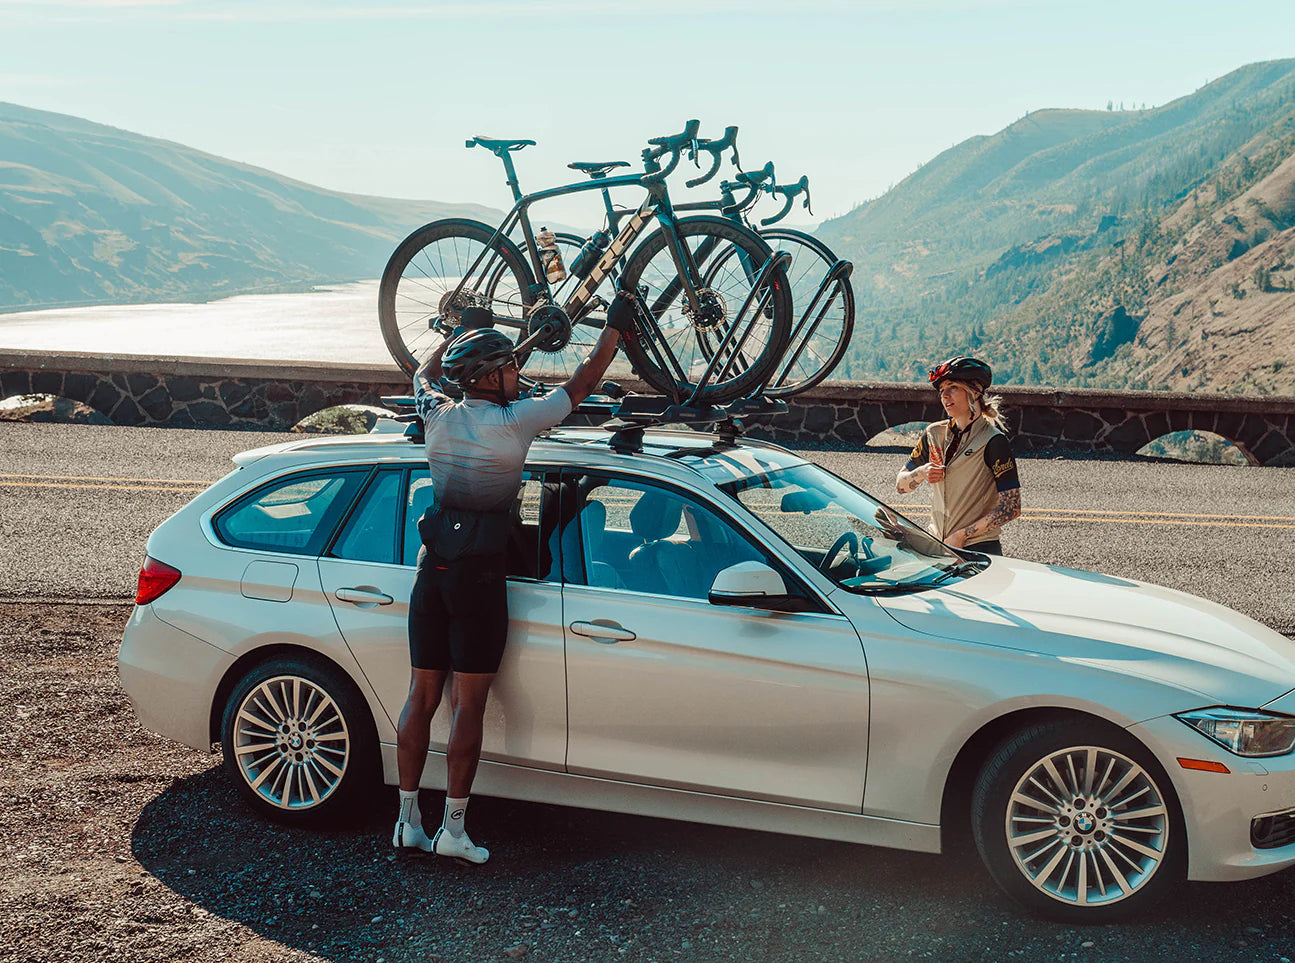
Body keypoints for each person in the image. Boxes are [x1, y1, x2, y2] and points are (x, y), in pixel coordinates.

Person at [393, 294, 634, 863]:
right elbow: (579, 386)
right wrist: (615, 334)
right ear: (491, 377)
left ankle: (406, 820)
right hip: (479, 578)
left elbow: (421, 374)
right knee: (468, 706)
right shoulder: (514, 421)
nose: (517, 373)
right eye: (509, 367)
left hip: (433, 572)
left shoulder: (436, 413)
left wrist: (454, 333)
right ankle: (453, 830)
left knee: (421, 695)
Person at [894, 356, 1021, 555]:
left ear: (975, 391)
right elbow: (900, 486)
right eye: (941, 391)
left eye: (952, 387)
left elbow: (1011, 507)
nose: (945, 396)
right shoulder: (933, 434)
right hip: (937, 545)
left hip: (978, 549)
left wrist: (962, 535)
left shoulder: (993, 441)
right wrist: (920, 473)